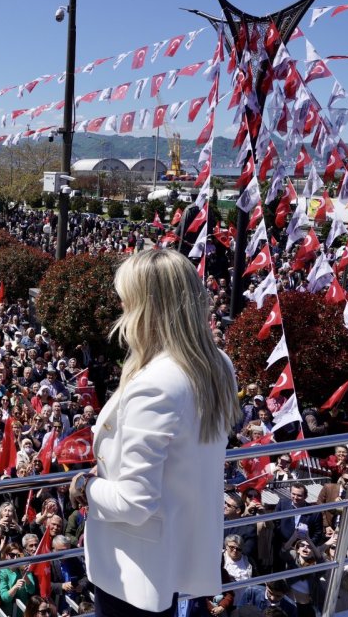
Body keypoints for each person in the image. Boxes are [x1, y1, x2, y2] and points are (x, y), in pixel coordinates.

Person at [70, 248, 239, 616]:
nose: (122, 311)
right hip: (174, 551)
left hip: (134, 569)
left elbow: (134, 501)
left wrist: (85, 488)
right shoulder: (218, 364)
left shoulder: (159, 383)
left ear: (148, 307)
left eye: (126, 301)